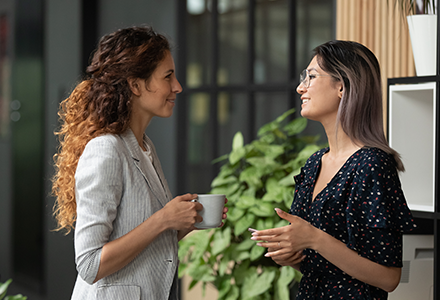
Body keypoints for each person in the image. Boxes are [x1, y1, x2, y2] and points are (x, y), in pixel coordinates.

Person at [51, 25, 227, 300]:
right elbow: (89, 264)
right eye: (168, 76)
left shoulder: (144, 146)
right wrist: (163, 219)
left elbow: (140, 238)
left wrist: (184, 222)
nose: (177, 87)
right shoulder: (106, 150)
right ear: (135, 84)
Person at [251, 40, 415, 299]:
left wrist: (314, 238)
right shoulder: (314, 163)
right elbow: (319, 264)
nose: (300, 87)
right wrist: (291, 255)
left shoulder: (372, 165)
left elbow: (388, 278)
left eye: (311, 76)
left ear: (342, 86)